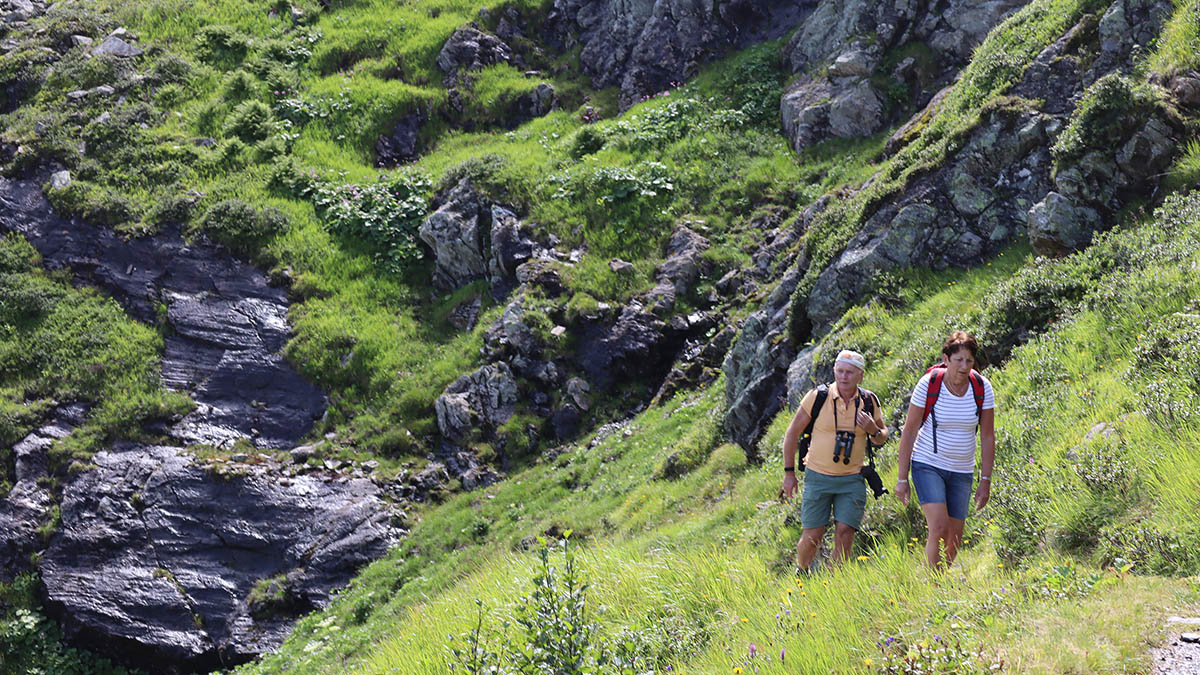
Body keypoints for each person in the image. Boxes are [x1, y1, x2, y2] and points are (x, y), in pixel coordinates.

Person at [895, 331, 996, 569]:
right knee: (939, 527)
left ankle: (938, 577)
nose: (964, 366)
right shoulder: (930, 384)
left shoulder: (982, 388)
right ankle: (933, 585)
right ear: (946, 358)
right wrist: (902, 478)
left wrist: (986, 480)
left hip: (962, 469)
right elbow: (909, 431)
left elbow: (988, 436)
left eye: (969, 361)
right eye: (958, 360)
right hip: (928, 464)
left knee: (955, 537)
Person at [780, 350, 888, 572]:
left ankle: (834, 581)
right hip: (817, 478)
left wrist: (873, 429)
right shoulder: (817, 397)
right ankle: (803, 572)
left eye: (849, 372)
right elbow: (792, 433)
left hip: (852, 479)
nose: (843, 377)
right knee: (813, 535)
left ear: (861, 375)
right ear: (834, 371)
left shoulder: (868, 401)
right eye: (839, 371)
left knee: (846, 532)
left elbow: (881, 438)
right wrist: (789, 473)